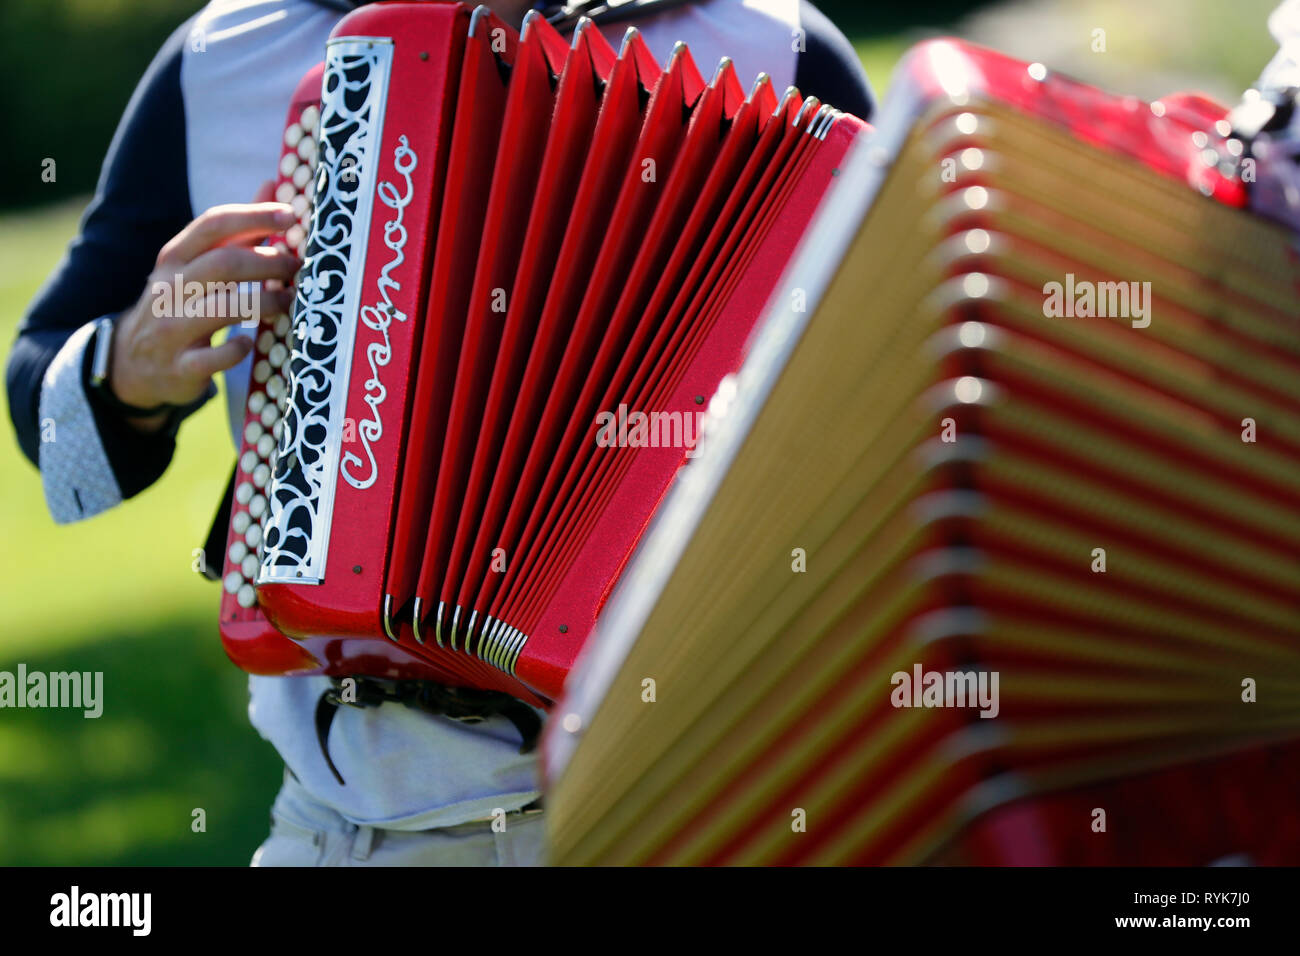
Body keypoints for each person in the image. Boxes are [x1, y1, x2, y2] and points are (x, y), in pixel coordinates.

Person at [6, 0, 874, 866]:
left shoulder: (775, 46)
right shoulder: (227, 55)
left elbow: (909, 409)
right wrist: (130, 362)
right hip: (352, 827)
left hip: (691, 799)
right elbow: (39, 399)